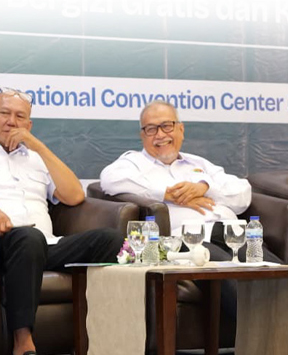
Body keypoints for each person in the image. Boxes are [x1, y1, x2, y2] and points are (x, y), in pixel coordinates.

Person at [0, 87, 124, 355]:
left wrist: (38, 146)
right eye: (4, 113)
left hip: (47, 246)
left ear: (29, 125)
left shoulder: (37, 159)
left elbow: (74, 195)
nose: (11, 122)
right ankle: (22, 341)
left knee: (112, 240)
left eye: (20, 116)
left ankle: (104, 339)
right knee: (28, 237)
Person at [100, 100, 283, 315]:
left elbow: (242, 193)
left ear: (181, 129)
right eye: (151, 129)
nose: (160, 135)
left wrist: (205, 188)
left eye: (167, 126)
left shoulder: (199, 164)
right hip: (190, 240)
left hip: (230, 232)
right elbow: (109, 180)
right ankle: (259, 325)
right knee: (227, 271)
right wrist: (168, 193)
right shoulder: (134, 163)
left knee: (272, 270)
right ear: (142, 135)